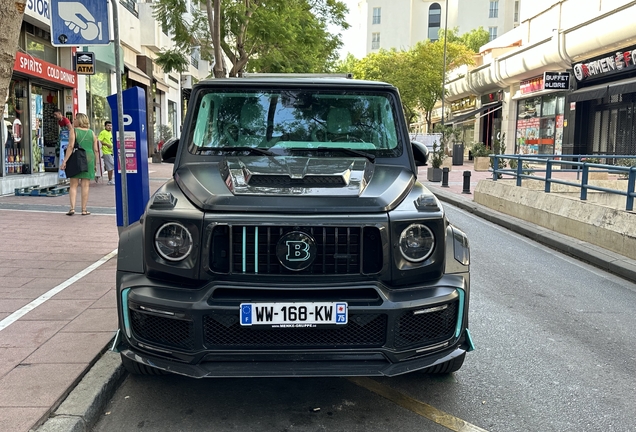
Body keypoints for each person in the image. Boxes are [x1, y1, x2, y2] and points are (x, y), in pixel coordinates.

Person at [60, 113, 98, 216]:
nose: (73, 120)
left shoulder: (74, 131)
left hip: (77, 158)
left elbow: (71, 146)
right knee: (85, 185)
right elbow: (95, 150)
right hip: (89, 158)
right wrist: (95, 164)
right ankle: (84, 209)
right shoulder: (92, 133)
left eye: (76, 119)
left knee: (73, 184)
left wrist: (65, 161)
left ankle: (72, 208)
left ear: (80, 121)